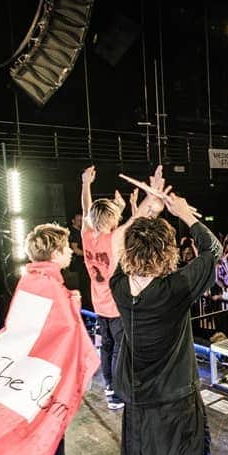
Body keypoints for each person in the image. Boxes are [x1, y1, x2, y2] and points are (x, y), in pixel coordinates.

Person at [110, 169, 222, 455]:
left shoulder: (121, 288)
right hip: (176, 400)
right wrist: (183, 212)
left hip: (137, 403)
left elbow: (117, 240)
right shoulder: (175, 288)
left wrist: (148, 208)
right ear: (167, 254)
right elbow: (213, 251)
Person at [25, 223, 93, 455]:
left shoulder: (30, 279)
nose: (70, 253)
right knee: (54, 420)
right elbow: (64, 330)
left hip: (35, 366)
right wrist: (73, 304)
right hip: (50, 367)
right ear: (54, 253)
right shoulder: (52, 286)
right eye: (66, 249)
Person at [80, 166, 127, 411]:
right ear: (110, 219)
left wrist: (85, 184)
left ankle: (109, 387)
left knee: (106, 346)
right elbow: (135, 220)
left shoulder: (86, 235)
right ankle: (117, 392)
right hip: (115, 305)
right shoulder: (113, 238)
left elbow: (86, 210)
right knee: (119, 347)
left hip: (98, 303)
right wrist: (129, 207)